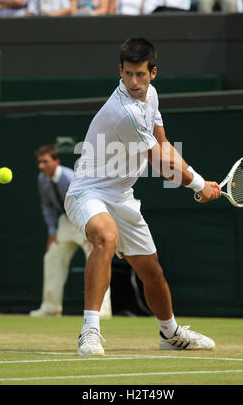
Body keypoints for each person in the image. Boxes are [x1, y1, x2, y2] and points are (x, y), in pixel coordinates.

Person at [64, 37, 221, 356]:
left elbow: (163, 144)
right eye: (127, 74)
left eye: (140, 74)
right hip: (88, 191)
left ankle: (171, 333)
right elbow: (161, 163)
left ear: (153, 73)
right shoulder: (126, 111)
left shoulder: (151, 98)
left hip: (122, 195)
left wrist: (199, 180)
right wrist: (199, 184)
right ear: (120, 72)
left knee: (152, 272)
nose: (133, 82)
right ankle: (90, 331)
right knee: (105, 237)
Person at [30, 145, 112, 318]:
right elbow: (47, 206)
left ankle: (102, 311)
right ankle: (50, 308)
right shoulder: (42, 179)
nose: (41, 166)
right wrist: (52, 232)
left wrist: (90, 228)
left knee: (97, 260)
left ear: (56, 161)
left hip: (85, 219)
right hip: (66, 222)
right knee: (52, 257)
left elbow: (86, 200)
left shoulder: (69, 177)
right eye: (39, 162)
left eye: (45, 162)